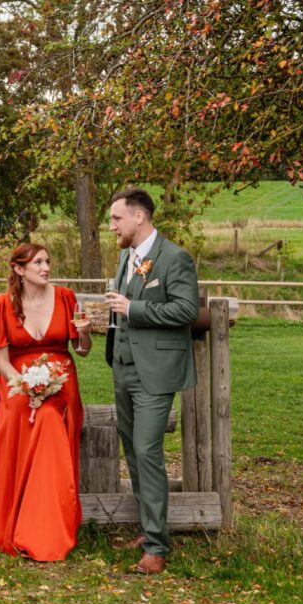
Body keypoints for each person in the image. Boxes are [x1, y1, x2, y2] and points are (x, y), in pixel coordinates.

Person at [105, 188, 199, 574]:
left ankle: (158, 547)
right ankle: (148, 530)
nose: (112, 226)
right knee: (133, 452)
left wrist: (133, 308)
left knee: (148, 452)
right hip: (124, 368)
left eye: (116, 219)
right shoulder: (127, 257)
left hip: (156, 373)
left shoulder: (174, 257)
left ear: (138, 217)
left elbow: (187, 309)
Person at [0, 243, 91, 561]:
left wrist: (84, 334)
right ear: (19, 269)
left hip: (60, 381)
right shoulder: (1, 304)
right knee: (19, 413)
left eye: (47, 261)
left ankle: (47, 527)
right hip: (17, 380)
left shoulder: (67, 298)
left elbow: (82, 350)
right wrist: (24, 383)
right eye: (38, 262)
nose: (45, 267)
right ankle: (13, 519)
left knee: (48, 419)